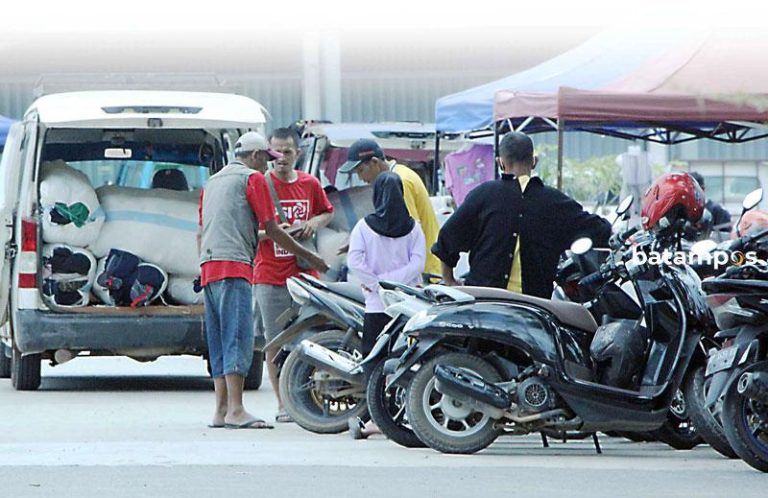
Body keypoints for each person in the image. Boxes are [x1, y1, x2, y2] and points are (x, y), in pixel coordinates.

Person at [198, 131, 328, 430]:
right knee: (238, 338)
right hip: (235, 268)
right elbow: (272, 228)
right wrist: (312, 258)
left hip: (209, 267)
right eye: (265, 159)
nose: (267, 166)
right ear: (255, 156)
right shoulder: (252, 179)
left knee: (219, 340)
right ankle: (237, 410)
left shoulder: (213, 181)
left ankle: (220, 411)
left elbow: (200, 230)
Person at [432, 131, 611, 298]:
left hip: (483, 301)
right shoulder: (556, 202)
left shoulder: (482, 195)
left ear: (500, 162)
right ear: (534, 161)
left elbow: (447, 239)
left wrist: (450, 281)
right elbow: (601, 230)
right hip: (534, 307)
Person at [252, 127, 335, 424]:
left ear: (297, 153)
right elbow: (249, 229)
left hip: (305, 274)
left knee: (311, 338)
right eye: (275, 152)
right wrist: (273, 234)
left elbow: (328, 212)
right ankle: (282, 404)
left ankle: (307, 401)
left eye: (287, 152)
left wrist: (313, 222)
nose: (281, 158)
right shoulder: (260, 183)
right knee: (274, 343)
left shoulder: (310, 184)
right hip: (270, 276)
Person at [345, 172, 425, 439]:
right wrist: (396, 284)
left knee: (374, 361)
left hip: (376, 305)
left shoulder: (363, 227)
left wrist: (378, 284)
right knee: (404, 359)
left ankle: (376, 416)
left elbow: (355, 261)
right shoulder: (413, 228)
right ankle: (405, 413)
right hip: (406, 307)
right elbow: (418, 264)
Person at [337, 139, 440, 278]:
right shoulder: (398, 175)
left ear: (374, 162)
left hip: (423, 272)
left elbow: (405, 232)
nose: (361, 178)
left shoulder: (400, 181)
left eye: (361, 171)